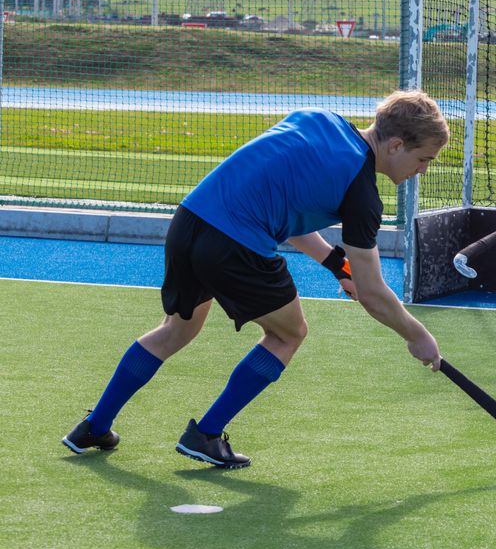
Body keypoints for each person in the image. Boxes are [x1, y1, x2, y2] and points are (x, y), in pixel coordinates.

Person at [62, 90, 449, 467]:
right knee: (288, 334)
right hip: (234, 245)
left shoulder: (316, 118)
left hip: (189, 222)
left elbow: (282, 203)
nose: (422, 170)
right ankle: (206, 434)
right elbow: (373, 293)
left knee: (176, 330)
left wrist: (335, 263)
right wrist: (417, 335)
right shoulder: (363, 194)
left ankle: (94, 426)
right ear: (396, 145)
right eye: (423, 159)